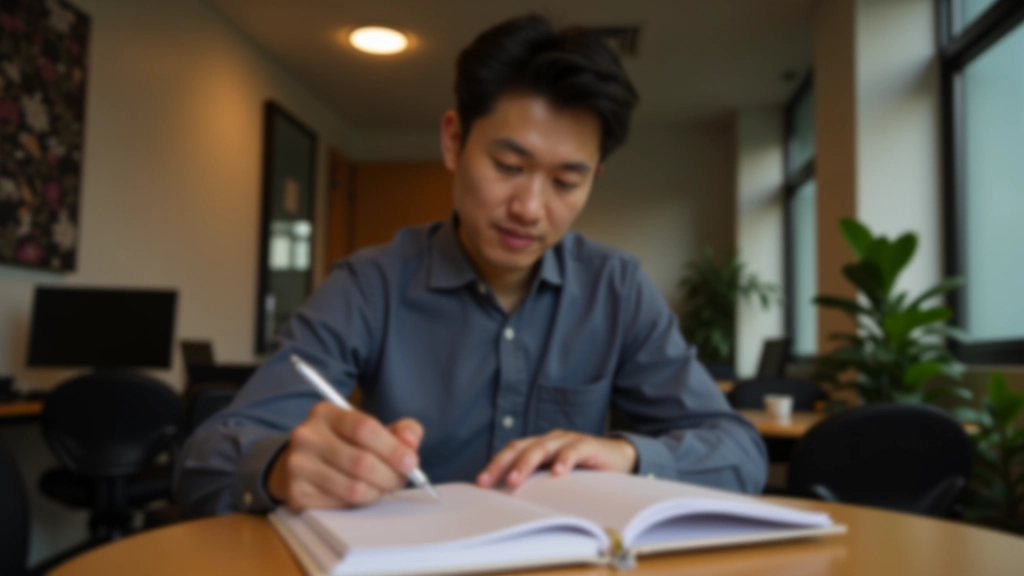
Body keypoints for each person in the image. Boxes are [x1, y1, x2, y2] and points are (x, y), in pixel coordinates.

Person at [175, 14, 766, 517]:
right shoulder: (370, 285)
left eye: (565, 181)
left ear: (593, 181)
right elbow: (205, 460)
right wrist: (281, 467)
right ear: (454, 141)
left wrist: (632, 456)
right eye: (509, 166)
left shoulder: (615, 288)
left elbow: (741, 452)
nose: (530, 209)